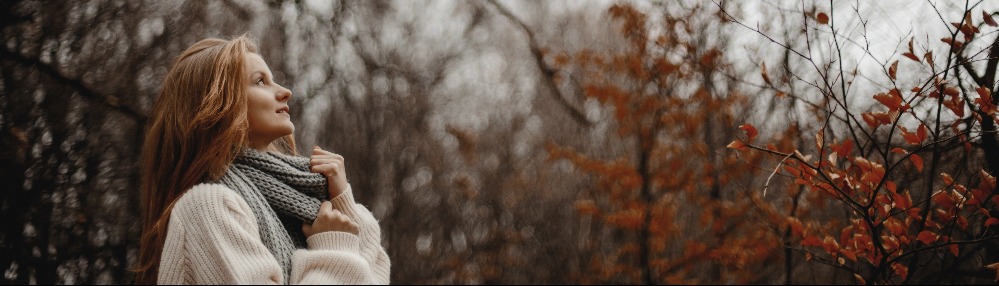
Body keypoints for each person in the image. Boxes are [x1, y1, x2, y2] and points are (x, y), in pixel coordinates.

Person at [134, 34, 390, 284]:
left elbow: (373, 275)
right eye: (260, 82)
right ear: (217, 104)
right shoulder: (207, 206)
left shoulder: (297, 208)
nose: (285, 92)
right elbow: (345, 263)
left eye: (273, 79)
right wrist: (333, 248)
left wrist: (340, 202)